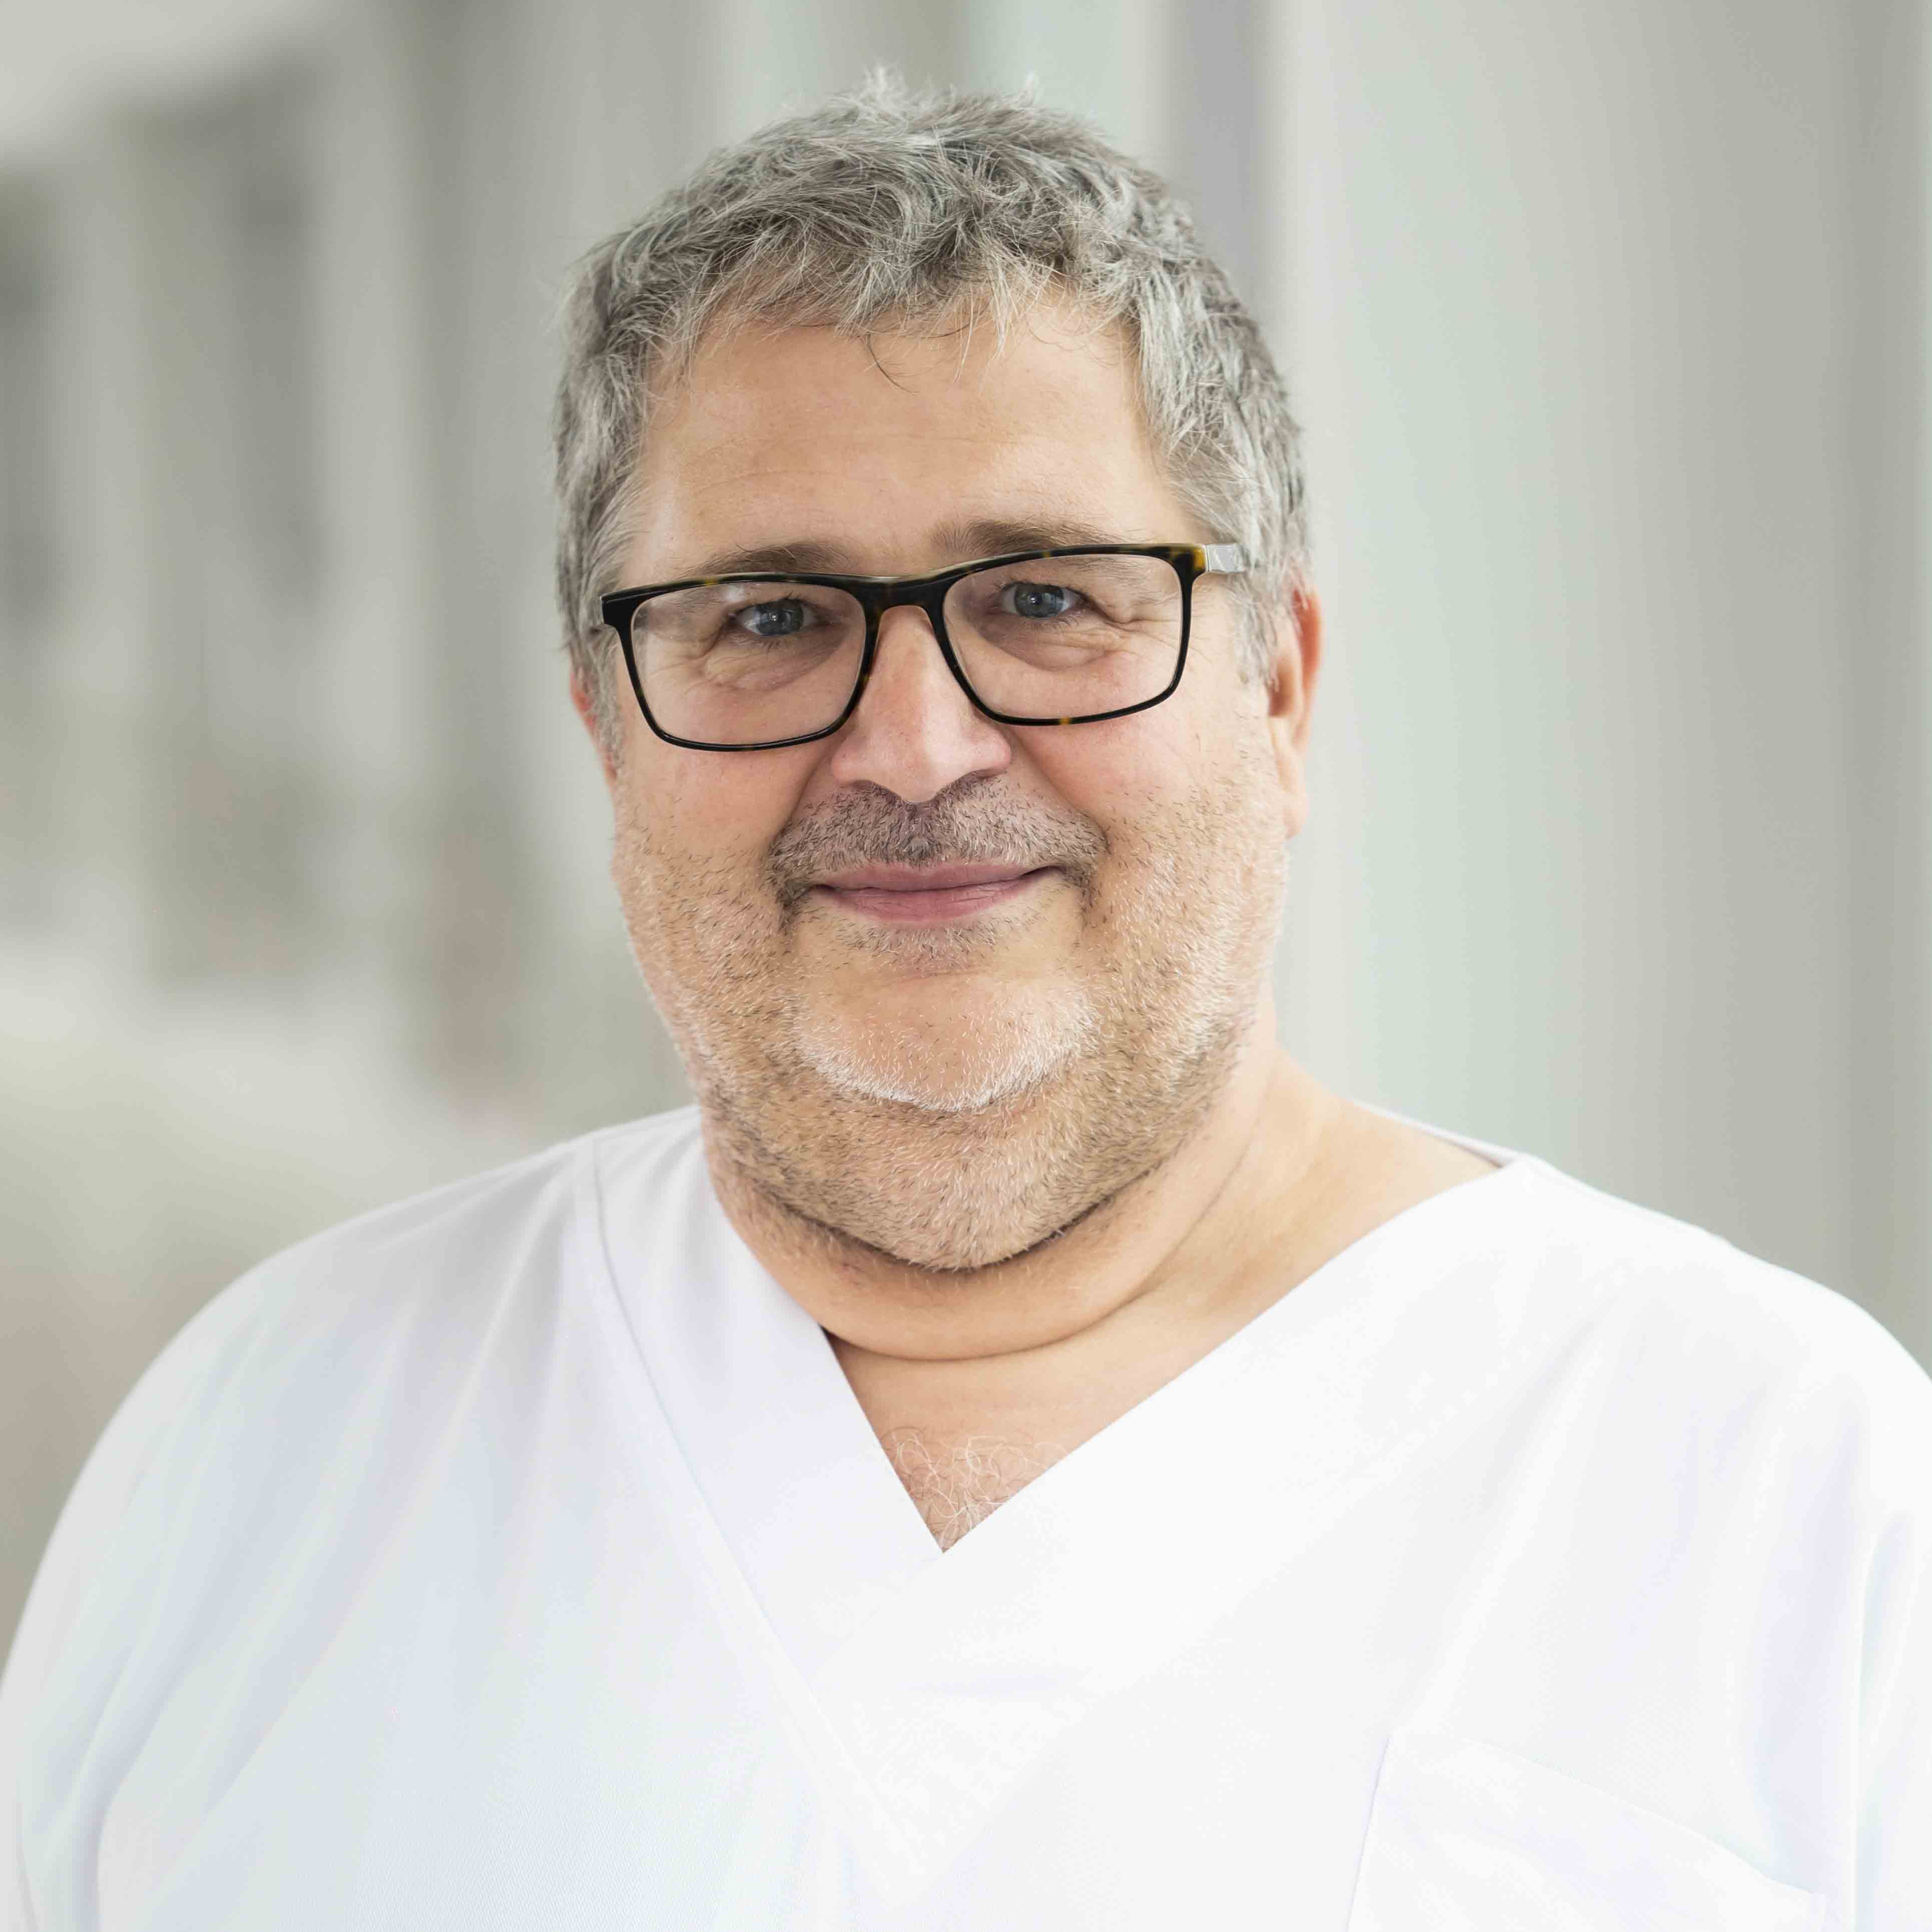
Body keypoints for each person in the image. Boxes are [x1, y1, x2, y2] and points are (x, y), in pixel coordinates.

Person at [3, 77, 1927, 1932]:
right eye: (770, 619)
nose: (915, 747)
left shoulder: (1780, 1486)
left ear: (1275, 691)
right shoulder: (269, 1443)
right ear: (605, 731)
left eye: (1048, 600)